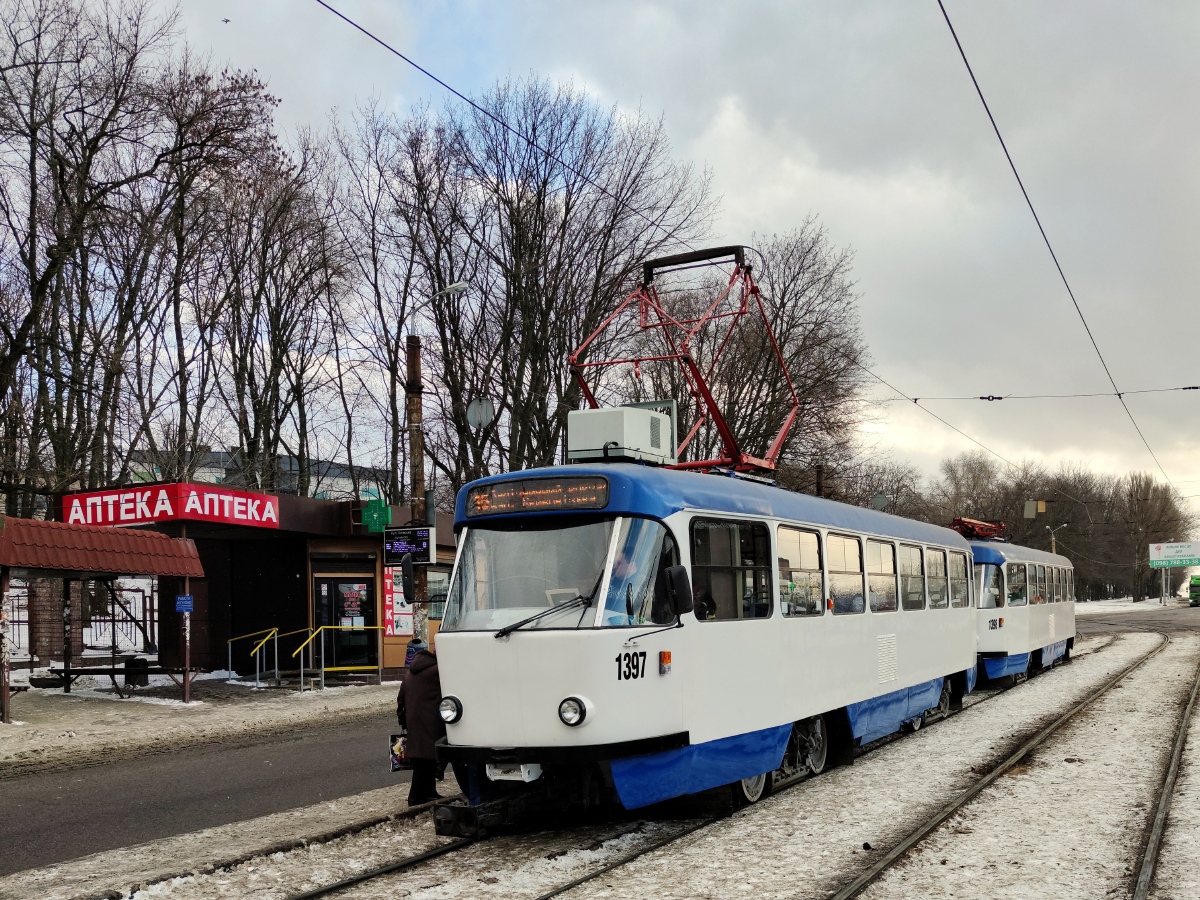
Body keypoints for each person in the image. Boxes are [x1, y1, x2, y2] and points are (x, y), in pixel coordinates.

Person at [396, 640, 445, 806]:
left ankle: (430, 792)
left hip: (414, 721)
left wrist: (404, 721)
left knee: (424, 759)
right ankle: (415, 797)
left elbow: (400, 698)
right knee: (426, 760)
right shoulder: (437, 671)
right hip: (432, 720)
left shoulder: (410, 672)